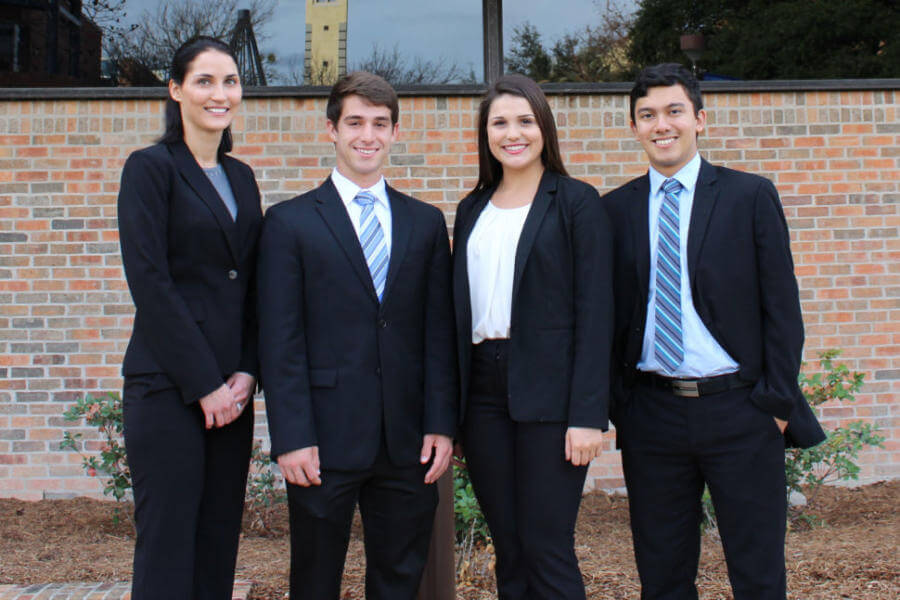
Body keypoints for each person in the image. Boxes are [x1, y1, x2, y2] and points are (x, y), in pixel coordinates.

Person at [603, 63, 826, 599]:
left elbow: (782, 308)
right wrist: (622, 406)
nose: (662, 124)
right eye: (648, 115)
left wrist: (774, 403)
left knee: (757, 573)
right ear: (635, 127)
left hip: (741, 412)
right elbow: (606, 316)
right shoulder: (613, 210)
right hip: (652, 416)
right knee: (663, 575)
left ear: (699, 119)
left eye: (674, 111)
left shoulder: (749, 196)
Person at [257, 71, 457, 600]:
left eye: (379, 123)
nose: (367, 135)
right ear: (331, 130)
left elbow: (439, 334)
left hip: (407, 439)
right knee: (315, 580)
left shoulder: (426, 223)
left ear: (394, 132)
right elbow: (280, 340)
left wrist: (441, 423)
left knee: (399, 579)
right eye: (355, 123)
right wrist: (292, 435)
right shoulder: (289, 223)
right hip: (323, 439)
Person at [451, 74, 613, 599]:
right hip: (482, 395)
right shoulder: (472, 207)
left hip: (551, 394)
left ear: (544, 127)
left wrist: (588, 414)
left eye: (525, 120)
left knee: (547, 546)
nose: (512, 133)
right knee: (510, 546)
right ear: (486, 133)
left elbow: (596, 313)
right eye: (500, 122)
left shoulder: (576, 202)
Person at [116, 37, 262, 600]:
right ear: (175, 90)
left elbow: (251, 284)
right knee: (168, 541)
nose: (219, 93)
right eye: (204, 81)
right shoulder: (150, 170)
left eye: (229, 81)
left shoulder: (242, 177)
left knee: (218, 538)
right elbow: (150, 284)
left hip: (233, 393)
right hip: (168, 388)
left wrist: (247, 372)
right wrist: (205, 386)